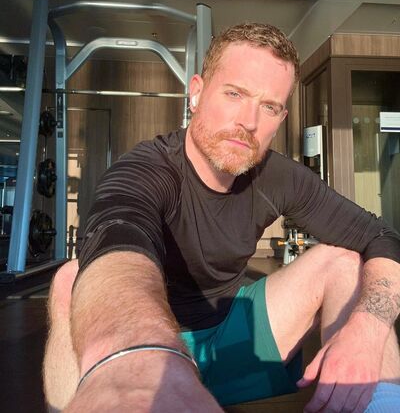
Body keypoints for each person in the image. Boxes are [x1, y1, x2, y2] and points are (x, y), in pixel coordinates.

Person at [44, 23, 400, 413]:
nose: (249, 121)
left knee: (343, 264)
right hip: (150, 343)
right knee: (71, 279)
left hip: (231, 339)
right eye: (234, 94)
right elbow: (116, 246)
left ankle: (383, 403)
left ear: (280, 117)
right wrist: (138, 360)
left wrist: (369, 327)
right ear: (196, 93)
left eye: (269, 106)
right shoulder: (148, 169)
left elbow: (382, 237)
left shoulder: (279, 176)